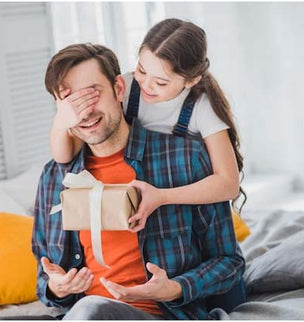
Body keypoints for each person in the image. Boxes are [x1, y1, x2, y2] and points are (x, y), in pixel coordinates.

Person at [32, 42, 245, 319]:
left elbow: (229, 262)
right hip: (81, 314)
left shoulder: (185, 158)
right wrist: (57, 287)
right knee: (89, 309)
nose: (84, 111)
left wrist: (175, 288)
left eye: (92, 94)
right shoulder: (53, 177)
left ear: (119, 89)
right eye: (71, 101)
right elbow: (43, 278)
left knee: (91, 310)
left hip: (161, 314)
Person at [49, 18, 246, 232]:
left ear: (191, 81)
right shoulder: (125, 86)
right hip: (131, 200)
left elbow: (228, 183)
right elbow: (64, 156)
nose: (146, 85)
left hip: (180, 205)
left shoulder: (201, 107)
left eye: (160, 82)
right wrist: (61, 122)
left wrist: (162, 196)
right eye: (142, 70)